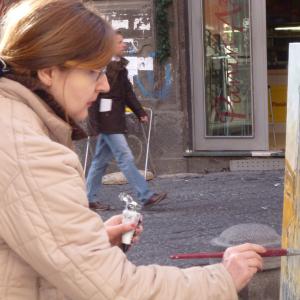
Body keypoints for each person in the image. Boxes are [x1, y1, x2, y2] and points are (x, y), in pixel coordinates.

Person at [0, 1, 265, 299]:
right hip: (110, 126)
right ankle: (143, 192)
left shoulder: (16, 126)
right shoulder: (28, 150)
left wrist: (89, 241)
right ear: (48, 72)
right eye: (93, 72)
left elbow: (25, 239)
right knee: (120, 158)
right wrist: (222, 278)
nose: (101, 85)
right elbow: (115, 289)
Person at [86, 30, 167, 211]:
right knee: (125, 157)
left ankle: (88, 198)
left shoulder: (119, 67)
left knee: (99, 162)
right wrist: (94, 126)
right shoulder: (101, 67)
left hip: (114, 120)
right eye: (119, 42)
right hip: (107, 123)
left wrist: (140, 112)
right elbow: (93, 98)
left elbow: (128, 93)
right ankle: (145, 195)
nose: (123, 45)